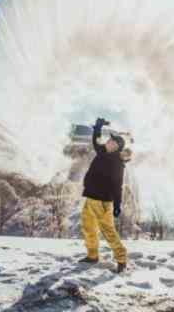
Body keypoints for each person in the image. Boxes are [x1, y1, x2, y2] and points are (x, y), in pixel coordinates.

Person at [79, 117, 129, 273]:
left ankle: (121, 259)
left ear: (117, 148)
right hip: (90, 198)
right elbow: (96, 141)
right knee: (88, 228)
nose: (109, 143)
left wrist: (117, 205)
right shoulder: (103, 151)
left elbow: (118, 185)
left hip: (102, 201)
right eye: (109, 141)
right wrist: (97, 128)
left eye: (113, 143)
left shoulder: (116, 162)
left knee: (108, 231)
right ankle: (92, 255)